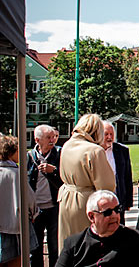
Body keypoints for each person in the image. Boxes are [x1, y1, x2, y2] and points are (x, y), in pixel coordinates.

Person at [58, 114, 116, 252]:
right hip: (85, 201)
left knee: (68, 242)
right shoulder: (94, 151)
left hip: (66, 199)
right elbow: (107, 186)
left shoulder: (66, 145)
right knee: (87, 245)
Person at [56, 190, 139, 267]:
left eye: (117, 210)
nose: (114, 215)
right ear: (91, 216)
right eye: (107, 212)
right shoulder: (74, 244)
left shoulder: (133, 239)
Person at [0, 134, 39, 267]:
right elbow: (30, 200)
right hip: (15, 227)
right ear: (12, 152)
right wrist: (33, 214)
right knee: (17, 260)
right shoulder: (17, 174)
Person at [27, 125, 63, 267]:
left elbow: (67, 179)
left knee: (55, 246)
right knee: (35, 247)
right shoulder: (29, 157)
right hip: (36, 210)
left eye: (53, 136)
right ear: (37, 140)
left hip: (54, 206)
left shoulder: (60, 154)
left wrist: (54, 171)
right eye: (48, 137)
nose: (52, 140)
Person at [102, 121, 133, 224]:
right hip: (101, 197)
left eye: (111, 134)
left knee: (119, 225)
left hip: (118, 195)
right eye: (106, 134)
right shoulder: (95, 151)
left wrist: (129, 200)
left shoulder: (122, 150)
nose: (109, 137)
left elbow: (127, 176)